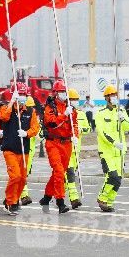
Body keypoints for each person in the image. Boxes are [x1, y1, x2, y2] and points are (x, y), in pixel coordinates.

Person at [0, 86, 40, 215]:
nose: (22, 97)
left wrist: (27, 133)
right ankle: (11, 202)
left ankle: (13, 200)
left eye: (24, 95)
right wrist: (11, 102)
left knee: (22, 178)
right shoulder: (6, 108)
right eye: (20, 94)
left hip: (23, 150)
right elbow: (3, 117)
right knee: (15, 176)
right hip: (10, 149)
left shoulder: (30, 111)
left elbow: (35, 128)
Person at [39, 80, 77, 214]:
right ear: (55, 93)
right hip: (53, 143)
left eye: (64, 92)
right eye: (61, 91)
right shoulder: (50, 107)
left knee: (58, 172)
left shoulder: (70, 107)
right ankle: (60, 202)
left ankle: (46, 197)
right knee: (59, 171)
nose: (63, 94)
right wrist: (64, 115)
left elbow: (74, 124)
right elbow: (51, 123)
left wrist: (75, 135)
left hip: (67, 144)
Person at [95, 85, 129, 212]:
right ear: (106, 98)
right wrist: (114, 142)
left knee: (118, 180)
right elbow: (102, 132)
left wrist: (123, 118)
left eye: (115, 95)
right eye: (111, 95)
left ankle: (109, 203)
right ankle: (102, 197)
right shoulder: (100, 113)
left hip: (120, 152)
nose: (114, 97)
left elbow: (128, 127)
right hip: (107, 151)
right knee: (112, 176)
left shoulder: (121, 110)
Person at [65, 89, 91, 209]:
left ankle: (57, 195)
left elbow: (88, 129)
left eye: (76, 99)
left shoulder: (81, 114)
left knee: (68, 175)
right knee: (70, 173)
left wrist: (80, 130)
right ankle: (74, 199)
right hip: (66, 149)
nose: (75, 101)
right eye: (72, 99)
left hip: (76, 150)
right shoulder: (65, 113)